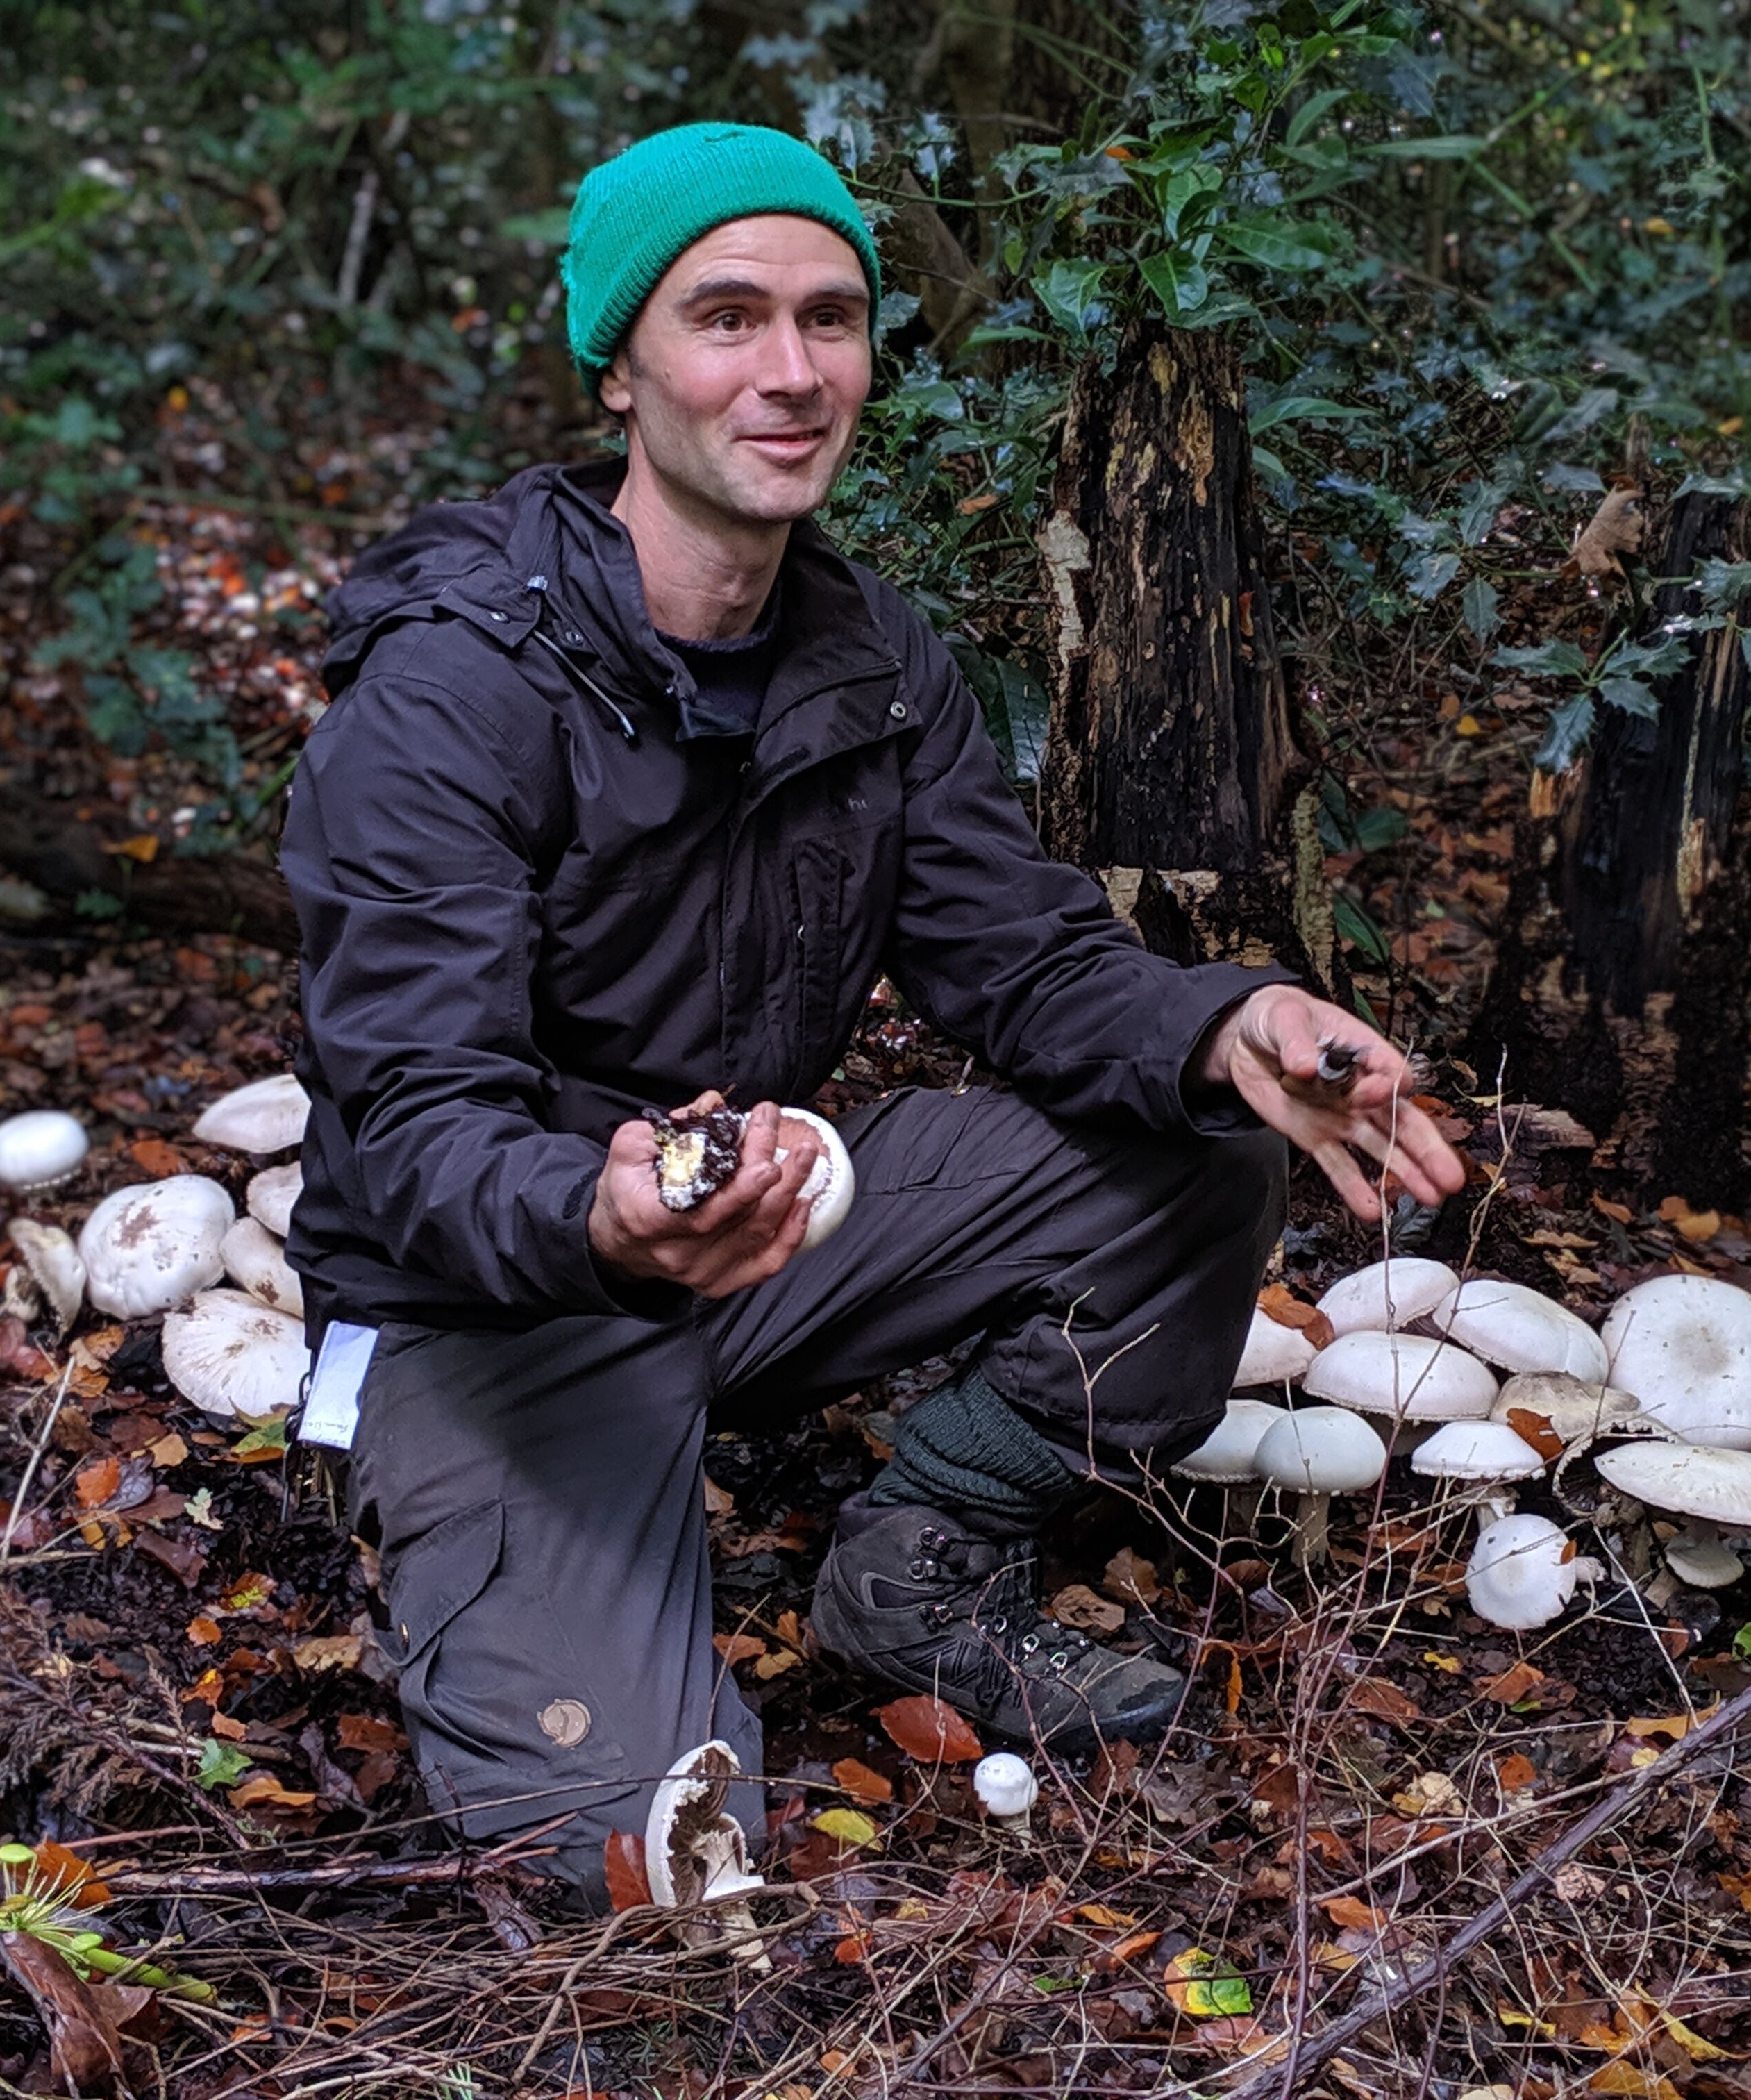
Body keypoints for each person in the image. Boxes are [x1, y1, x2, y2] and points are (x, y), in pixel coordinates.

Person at [278, 121, 1461, 1909]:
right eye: (726, 317)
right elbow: (415, 1123)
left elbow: (1030, 964)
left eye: (831, 321)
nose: (790, 371)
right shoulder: (454, 692)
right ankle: (520, 1556)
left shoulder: (868, 657)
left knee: (1199, 1157)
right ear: (621, 367)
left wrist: (1229, 1025)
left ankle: (919, 1557)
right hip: (490, 1307)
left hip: (751, 1224)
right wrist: (596, 1214)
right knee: (652, 1864)